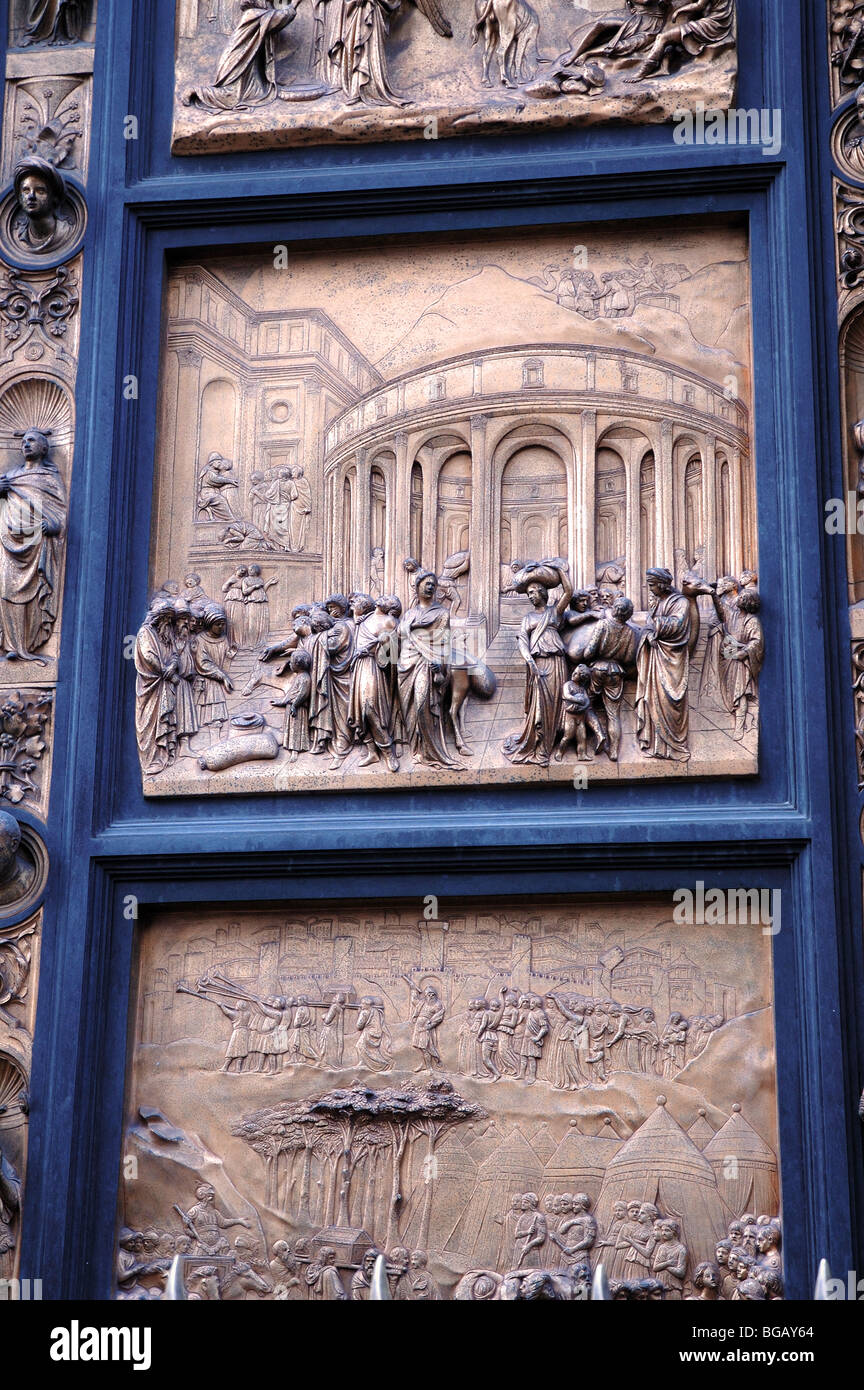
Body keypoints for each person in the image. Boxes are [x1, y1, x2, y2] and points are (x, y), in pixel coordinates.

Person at [0, 428, 66, 662]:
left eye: (32, 441)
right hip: (9, 541)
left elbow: (60, 511)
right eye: (24, 441)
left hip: (37, 543)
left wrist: (54, 526)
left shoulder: (48, 478)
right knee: (7, 590)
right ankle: (12, 644)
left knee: (34, 590)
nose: (26, 444)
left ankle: (29, 643)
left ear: (44, 448)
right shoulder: (11, 478)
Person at [504, 560, 573, 766]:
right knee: (541, 707)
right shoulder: (528, 618)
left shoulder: (554, 612)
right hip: (538, 665)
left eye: (535, 591)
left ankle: (551, 745)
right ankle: (541, 747)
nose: (532, 595)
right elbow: (523, 642)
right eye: (529, 593)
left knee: (557, 704)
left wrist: (558, 569)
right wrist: (530, 662)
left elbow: (568, 592)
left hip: (557, 663)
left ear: (544, 592)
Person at [185, 1, 299, 111]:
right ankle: (195, 91)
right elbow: (280, 17)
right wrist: (294, 4)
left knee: (252, 92)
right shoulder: (252, 13)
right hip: (235, 63)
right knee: (230, 94)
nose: (269, 4)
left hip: (242, 63)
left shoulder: (256, 15)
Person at [398, 569, 459, 768]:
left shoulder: (441, 614)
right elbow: (400, 635)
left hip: (427, 663)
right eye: (426, 582)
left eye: (433, 583)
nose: (430, 586)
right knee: (410, 709)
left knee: (423, 700)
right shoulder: (409, 614)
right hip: (406, 664)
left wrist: (439, 665)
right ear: (417, 587)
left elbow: (444, 643)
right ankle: (416, 749)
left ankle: (430, 750)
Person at [635, 567, 693, 761]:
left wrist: (655, 627)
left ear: (661, 584)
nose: (649, 588)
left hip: (671, 658)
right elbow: (649, 626)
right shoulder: (658, 603)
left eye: (652, 585)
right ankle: (657, 746)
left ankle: (675, 746)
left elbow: (678, 624)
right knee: (653, 698)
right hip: (655, 657)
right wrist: (649, 633)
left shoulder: (680, 602)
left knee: (670, 699)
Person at [10, 159, 72, 254]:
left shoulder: (66, 232)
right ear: (19, 197)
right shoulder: (17, 236)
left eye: (40, 191)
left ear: (54, 197)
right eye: (26, 191)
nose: (31, 196)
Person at [271, 648, 312, 761]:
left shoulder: (304, 678)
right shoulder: (300, 676)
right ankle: (290, 748)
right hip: (292, 706)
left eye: (292, 663)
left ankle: (295, 751)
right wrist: (282, 702)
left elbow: (303, 694)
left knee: (297, 728)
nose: (290, 665)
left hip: (298, 709)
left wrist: (294, 705)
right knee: (292, 728)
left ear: (298, 665)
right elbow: (292, 692)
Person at [410, 983, 445, 1070]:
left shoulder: (438, 1004)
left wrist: (428, 1027)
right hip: (418, 1027)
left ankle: (433, 1063)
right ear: (426, 995)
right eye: (429, 994)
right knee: (421, 1048)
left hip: (427, 1028)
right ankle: (424, 1064)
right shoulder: (422, 1003)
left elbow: (438, 1017)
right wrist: (413, 990)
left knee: (426, 1047)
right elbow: (414, 1000)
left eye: (433, 994)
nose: (431, 996)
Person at [355, 995, 392, 1071]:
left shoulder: (364, 1013)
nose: (361, 1005)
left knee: (360, 1046)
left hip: (368, 1033)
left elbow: (359, 1026)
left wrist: (359, 1013)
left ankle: (380, 1065)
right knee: (372, 1051)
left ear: (366, 1005)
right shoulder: (375, 1011)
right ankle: (366, 1063)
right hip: (376, 1033)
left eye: (362, 1004)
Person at [289, 465, 313, 552]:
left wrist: (307, 507)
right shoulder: (291, 482)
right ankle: (292, 546)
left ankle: (297, 546)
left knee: (299, 528)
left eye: (294, 472)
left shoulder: (303, 482)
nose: (292, 473)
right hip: (293, 507)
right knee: (292, 527)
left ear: (298, 473)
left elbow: (306, 495)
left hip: (301, 507)